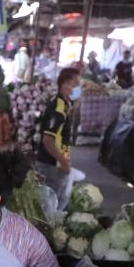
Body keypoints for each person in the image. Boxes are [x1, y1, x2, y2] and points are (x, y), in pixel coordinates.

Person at [33, 67, 81, 203]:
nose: (79, 88)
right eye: (76, 84)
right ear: (65, 86)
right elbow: (48, 140)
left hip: (57, 164)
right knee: (49, 207)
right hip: (51, 165)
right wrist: (63, 161)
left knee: (56, 203)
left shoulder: (65, 105)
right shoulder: (58, 108)